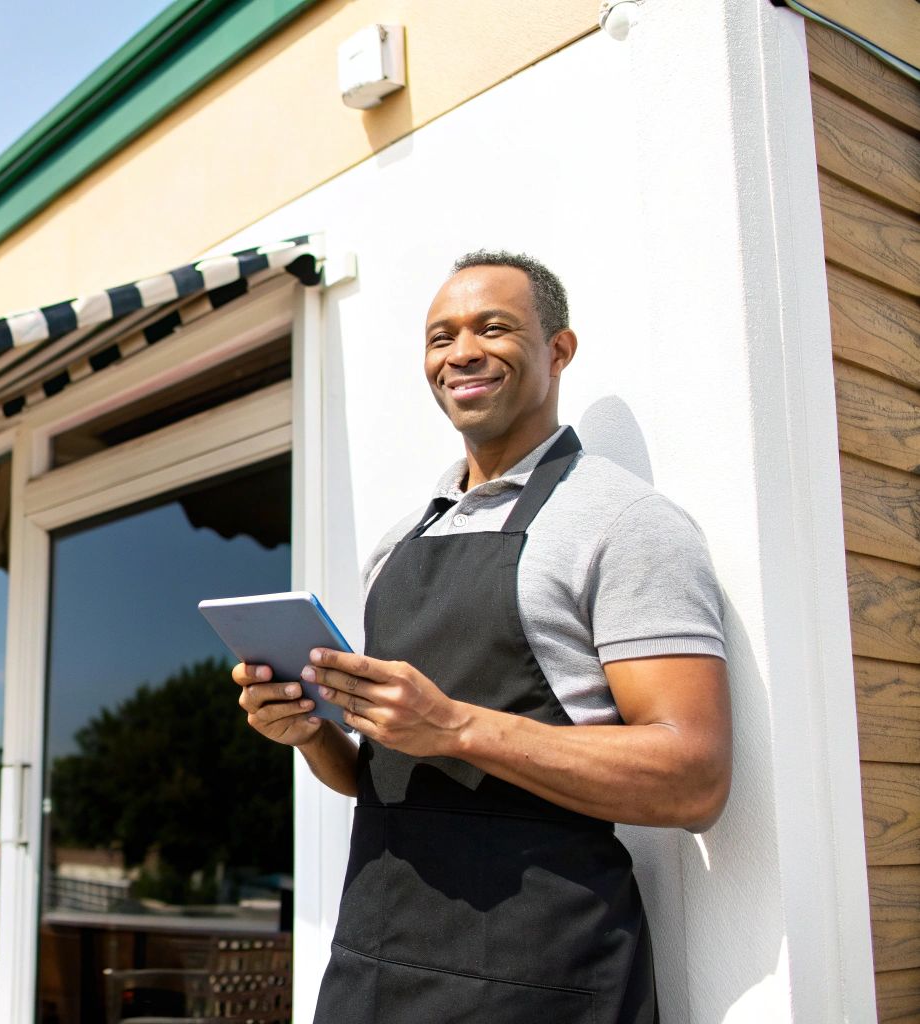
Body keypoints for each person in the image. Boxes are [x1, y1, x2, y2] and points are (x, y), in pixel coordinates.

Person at [233, 251, 731, 1023]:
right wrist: (308, 734)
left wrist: (457, 726)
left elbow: (694, 778)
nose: (461, 351)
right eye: (441, 337)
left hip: (541, 976)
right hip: (375, 965)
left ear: (558, 351)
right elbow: (383, 776)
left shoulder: (626, 524)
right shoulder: (398, 544)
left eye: (493, 328)